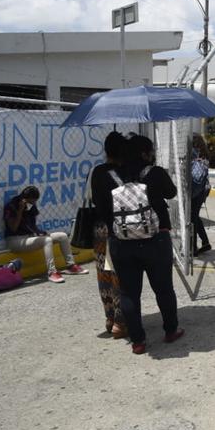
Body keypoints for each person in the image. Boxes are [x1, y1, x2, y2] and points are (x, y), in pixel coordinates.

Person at [101, 134, 183, 355]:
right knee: (164, 288)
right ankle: (170, 330)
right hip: (156, 240)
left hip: (121, 242)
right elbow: (172, 192)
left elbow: (101, 206)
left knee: (128, 293)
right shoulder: (154, 172)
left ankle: (138, 341)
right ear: (145, 153)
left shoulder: (106, 175)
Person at [4, 186, 88, 283]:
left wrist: (39, 231)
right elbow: (13, 228)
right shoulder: (11, 207)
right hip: (15, 241)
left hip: (30, 237)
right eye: (31, 202)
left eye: (35, 202)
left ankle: (71, 266)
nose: (33, 204)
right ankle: (52, 272)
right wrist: (20, 211)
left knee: (62, 236)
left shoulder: (31, 206)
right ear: (24, 199)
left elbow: (31, 225)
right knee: (47, 240)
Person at [89, 131, 127, 338]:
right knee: (118, 275)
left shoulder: (97, 171)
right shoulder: (124, 173)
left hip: (99, 228)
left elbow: (93, 199)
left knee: (103, 274)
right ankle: (120, 322)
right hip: (119, 228)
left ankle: (109, 317)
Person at [190, 134, 212, 256]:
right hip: (202, 190)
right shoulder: (204, 155)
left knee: (192, 218)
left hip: (193, 189)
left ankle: (193, 248)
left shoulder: (193, 154)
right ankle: (205, 241)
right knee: (195, 216)